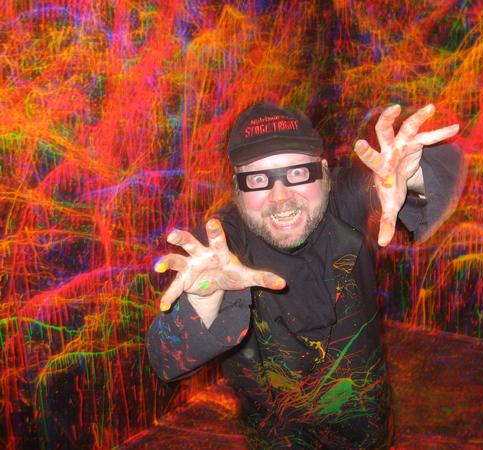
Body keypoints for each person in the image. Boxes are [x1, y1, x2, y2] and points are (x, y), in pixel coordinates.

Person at [146, 101, 465, 448]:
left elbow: (416, 174)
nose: (281, 197)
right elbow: (166, 361)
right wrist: (204, 300)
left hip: (365, 430)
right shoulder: (221, 245)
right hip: (275, 436)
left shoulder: (347, 196)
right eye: (258, 179)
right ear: (238, 188)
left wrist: (411, 176)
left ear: (323, 172)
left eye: (297, 173)